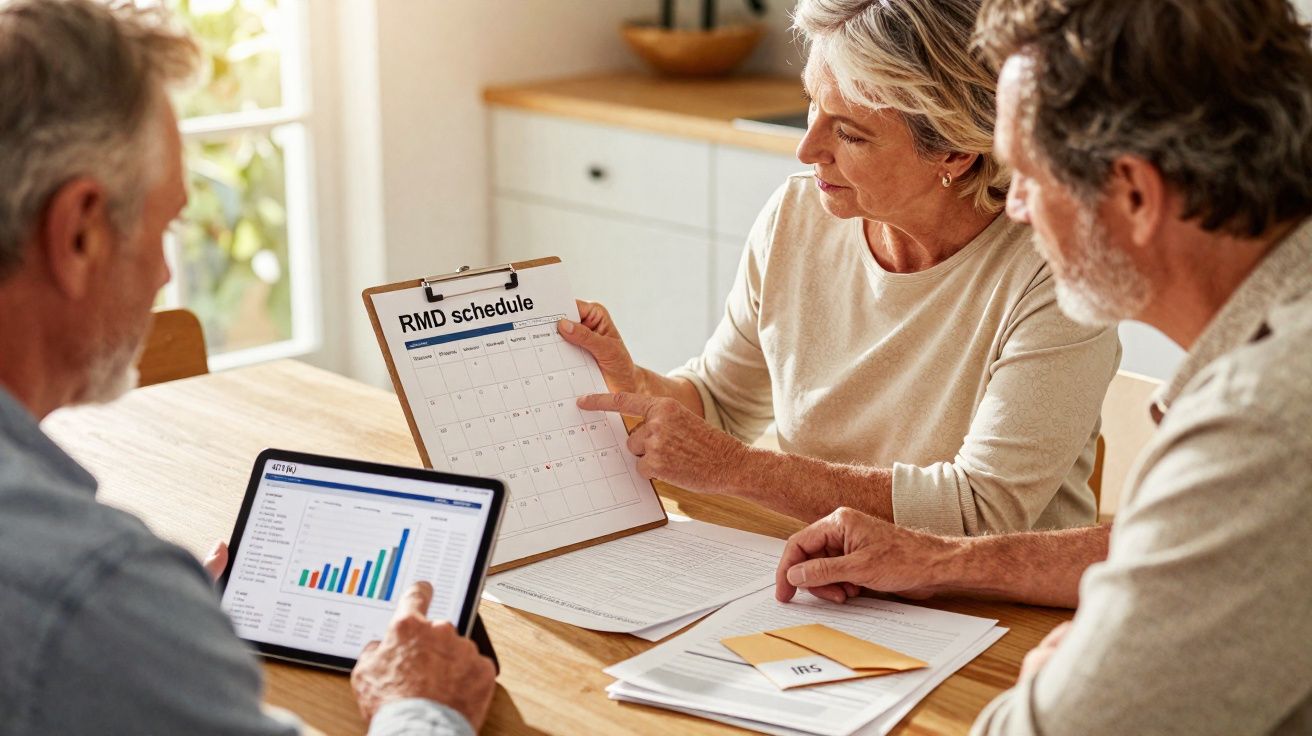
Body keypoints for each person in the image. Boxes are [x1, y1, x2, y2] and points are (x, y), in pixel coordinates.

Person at [776, 0, 1312, 733]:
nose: (1016, 206)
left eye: (1028, 173)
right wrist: (940, 561)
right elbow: (1187, 540)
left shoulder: (1266, 421)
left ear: (1134, 195)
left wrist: (1043, 684)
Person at [0, 2, 494, 734]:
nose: (166, 274)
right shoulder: (90, 593)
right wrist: (419, 706)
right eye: (165, 226)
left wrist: (149, 640)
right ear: (77, 233)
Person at [566, 0, 1120, 535]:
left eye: (850, 132)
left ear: (954, 152)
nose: (807, 149)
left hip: (998, 611)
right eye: (812, 103)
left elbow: (980, 510)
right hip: (825, 576)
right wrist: (628, 379)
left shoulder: (1056, 272)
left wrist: (737, 468)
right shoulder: (798, 213)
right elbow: (720, 404)